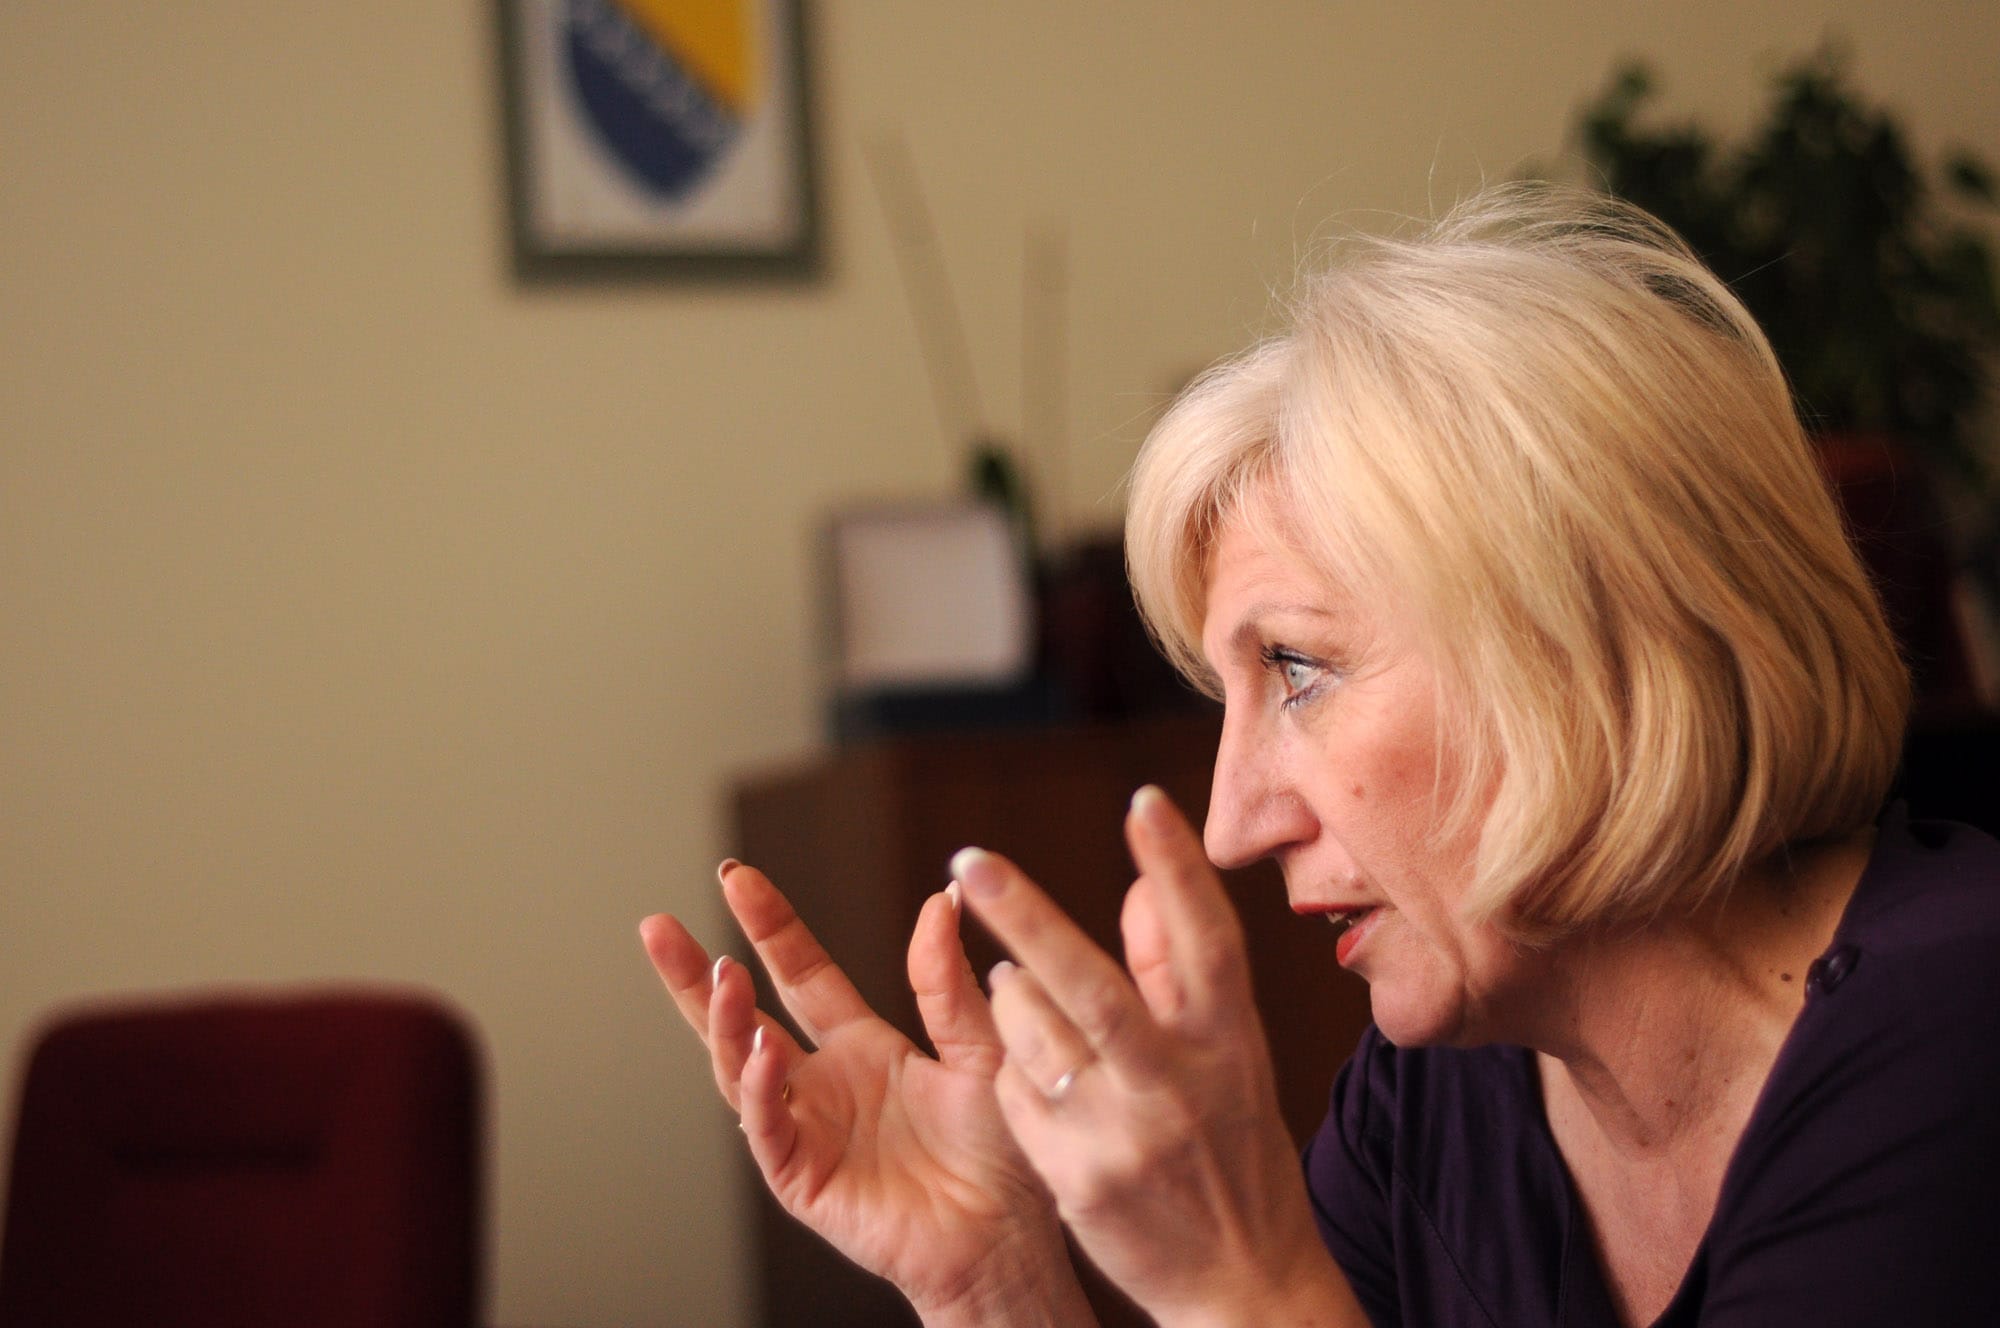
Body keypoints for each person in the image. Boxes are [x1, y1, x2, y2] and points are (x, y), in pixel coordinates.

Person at [640, 183, 2000, 1327]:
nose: (1233, 823)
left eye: (1297, 668)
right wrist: (1001, 1288)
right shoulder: (1445, 1082)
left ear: (1591, 649)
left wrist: (1243, 1284)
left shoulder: (1956, 1037)